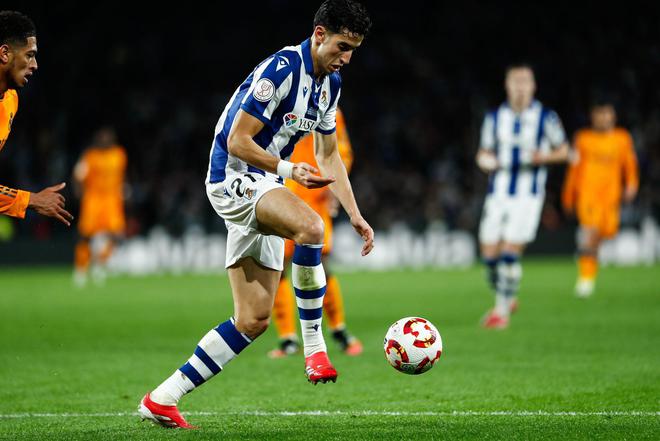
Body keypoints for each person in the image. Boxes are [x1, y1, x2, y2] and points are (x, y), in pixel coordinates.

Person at [139, 0, 373, 429]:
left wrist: (355, 213)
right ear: (319, 34)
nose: (346, 58)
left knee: (253, 320)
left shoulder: (330, 85)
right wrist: (288, 169)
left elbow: (328, 155)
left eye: (353, 50)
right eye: (342, 46)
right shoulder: (282, 69)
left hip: (264, 185)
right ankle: (315, 348)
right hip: (232, 177)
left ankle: (163, 397)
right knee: (310, 227)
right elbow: (238, 141)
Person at [476, 63, 568, 329]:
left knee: (508, 253)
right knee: (489, 256)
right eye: (515, 81)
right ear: (507, 86)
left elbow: (565, 151)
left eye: (525, 81)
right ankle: (508, 293)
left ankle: (501, 311)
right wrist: (486, 162)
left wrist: (544, 157)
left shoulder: (546, 117)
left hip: (528, 195)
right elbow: (483, 153)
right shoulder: (494, 117)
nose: (520, 87)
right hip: (498, 193)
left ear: (533, 86)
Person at [269, 107, 363, 359]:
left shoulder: (328, 107)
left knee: (321, 265)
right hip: (279, 194)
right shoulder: (274, 102)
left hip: (314, 197)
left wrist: (334, 188)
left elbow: (341, 151)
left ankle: (339, 330)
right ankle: (288, 337)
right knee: (277, 266)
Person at [0, 10, 72, 226]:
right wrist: (31, 200)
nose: (35, 65)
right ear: (5, 53)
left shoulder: (11, 100)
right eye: (29, 55)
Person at [561, 101, 638, 297]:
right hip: (588, 195)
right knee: (591, 232)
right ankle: (586, 279)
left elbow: (629, 164)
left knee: (605, 233)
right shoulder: (583, 138)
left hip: (611, 197)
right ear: (593, 116)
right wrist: (568, 196)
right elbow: (574, 170)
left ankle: (589, 263)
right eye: (599, 113)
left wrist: (632, 184)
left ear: (613, 116)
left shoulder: (622, 138)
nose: (603, 118)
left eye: (607, 113)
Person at [72, 127, 127, 286]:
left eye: (108, 138)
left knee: (116, 234)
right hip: (93, 199)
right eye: (102, 138)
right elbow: (78, 175)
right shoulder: (90, 156)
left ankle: (100, 264)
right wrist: (79, 193)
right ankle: (81, 268)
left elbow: (122, 175)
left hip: (112, 200)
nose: (105, 141)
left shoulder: (119, 155)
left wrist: (124, 189)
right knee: (85, 235)